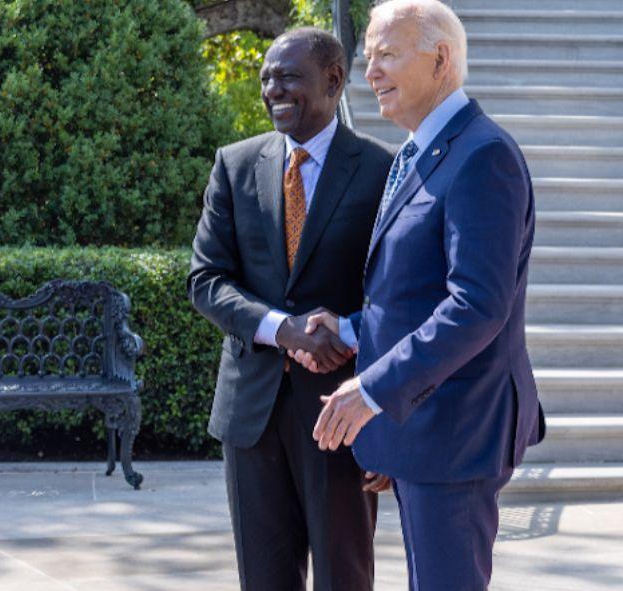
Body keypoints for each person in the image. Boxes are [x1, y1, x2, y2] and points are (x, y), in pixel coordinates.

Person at [297, 1, 546, 589]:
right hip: (425, 430)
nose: (370, 72)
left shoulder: (483, 155)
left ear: (440, 60)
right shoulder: (420, 151)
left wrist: (374, 391)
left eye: (386, 54)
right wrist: (353, 330)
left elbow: (478, 305)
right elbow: (412, 292)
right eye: (367, 58)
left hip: (457, 432)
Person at [187, 27, 394, 591]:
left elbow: (395, 296)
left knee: (343, 575)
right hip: (251, 415)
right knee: (263, 579)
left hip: (340, 413)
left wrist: (386, 416)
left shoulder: (383, 171)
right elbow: (207, 280)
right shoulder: (234, 165)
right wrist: (284, 331)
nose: (273, 89)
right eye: (266, 79)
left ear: (333, 80)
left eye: (289, 77)